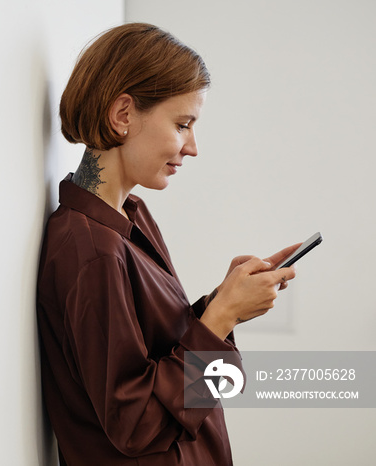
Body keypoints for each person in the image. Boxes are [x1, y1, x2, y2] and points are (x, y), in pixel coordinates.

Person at [36, 23, 300, 466]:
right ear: (123, 115)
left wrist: (223, 300)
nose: (192, 147)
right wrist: (222, 315)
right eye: (182, 124)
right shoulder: (90, 251)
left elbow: (158, 356)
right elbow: (137, 423)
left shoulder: (130, 216)